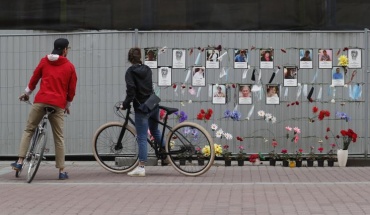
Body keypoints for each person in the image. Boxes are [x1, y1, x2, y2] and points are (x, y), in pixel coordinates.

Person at [11, 38, 77, 180]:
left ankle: (20, 161)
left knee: (29, 129)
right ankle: (61, 171)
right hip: (58, 104)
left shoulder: (44, 61)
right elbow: (71, 90)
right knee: (59, 137)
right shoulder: (70, 67)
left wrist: (27, 93)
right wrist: (67, 105)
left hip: (41, 101)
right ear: (65, 50)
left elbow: (34, 78)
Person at [121, 48, 165, 177]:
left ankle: (141, 167)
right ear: (140, 57)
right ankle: (166, 155)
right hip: (153, 104)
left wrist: (125, 104)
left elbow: (131, 91)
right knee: (155, 130)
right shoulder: (147, 69)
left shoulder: (130, 72)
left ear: (130, 58)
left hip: (142, 107)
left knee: (141, 137)